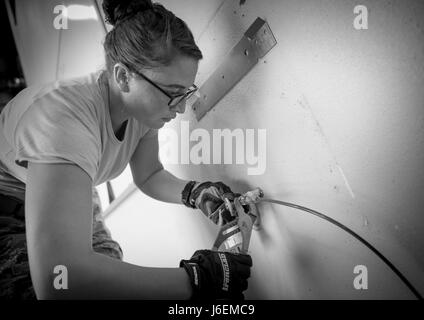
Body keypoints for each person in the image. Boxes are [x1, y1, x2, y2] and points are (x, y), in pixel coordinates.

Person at [0, 0, 253, 299]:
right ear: (122, 76)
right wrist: (196, 279)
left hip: (67, 182)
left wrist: (195, 192)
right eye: (172, 94)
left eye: (185, 92)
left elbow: (149, 174)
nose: (182, 107)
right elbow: (59, 280)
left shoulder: (141, 114)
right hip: (8, 206)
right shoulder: (62, 120)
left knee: (107, 269)